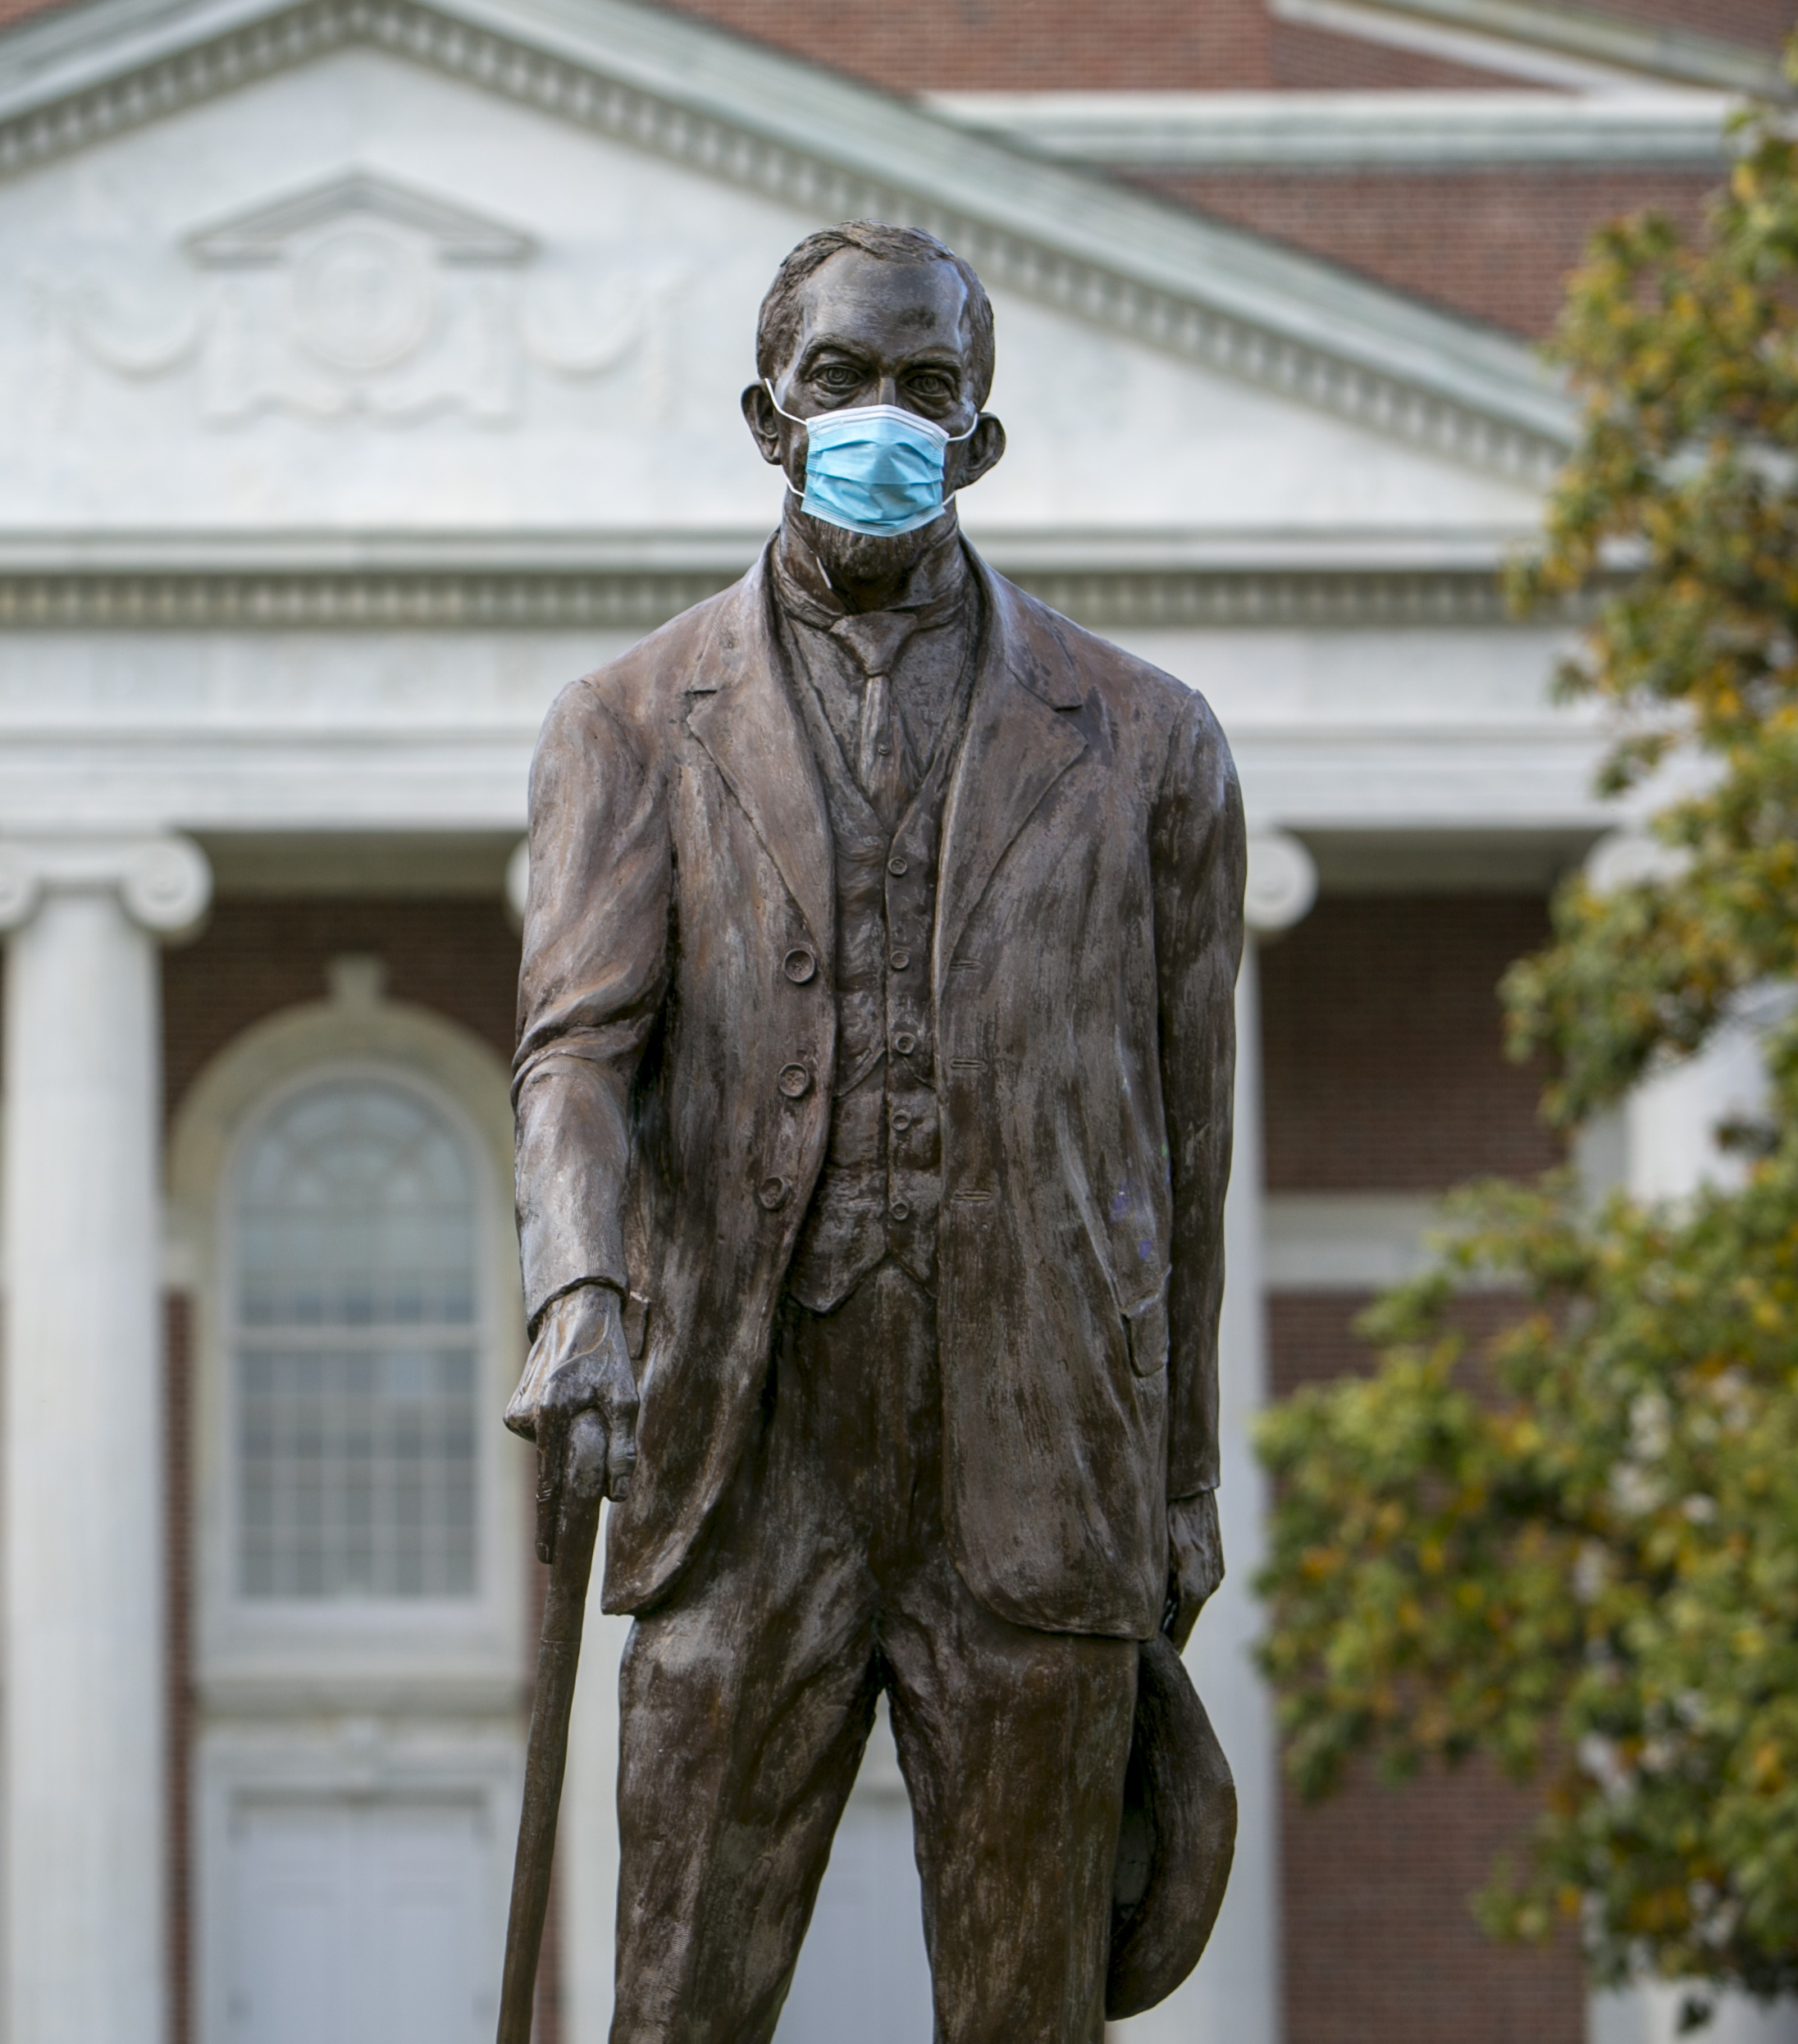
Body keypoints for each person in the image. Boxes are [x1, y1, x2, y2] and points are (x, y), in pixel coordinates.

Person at [505, 221, 1246, 2044]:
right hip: (745, 1458)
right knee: (679, 2000)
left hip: (1039, 1462)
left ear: (984, 439)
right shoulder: (626, 723)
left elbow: (1187, 1139)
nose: (884, 420)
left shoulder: (1149, 741)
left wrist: (1177, 1471)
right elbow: (574, 1060)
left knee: (1029, 2014)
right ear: (772, 414)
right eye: (844, 382)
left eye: (930, 389)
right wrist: (577, 1291)